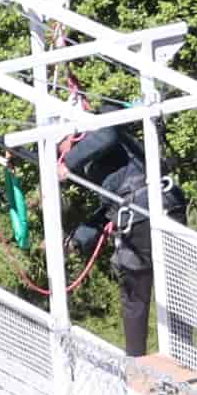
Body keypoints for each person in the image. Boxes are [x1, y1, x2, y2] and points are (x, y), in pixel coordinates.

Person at [59, 126, 159, 361]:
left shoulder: (96, 131)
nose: (61, 154)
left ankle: (137, 365)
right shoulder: (95, 153)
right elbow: (109, 209)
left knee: (135, 296)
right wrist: (78, 239)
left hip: (143, 210)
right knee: (152, 292)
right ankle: (151, 360)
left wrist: (68, 163)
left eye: (59, 149)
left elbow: (109, 133)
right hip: (143, 209)